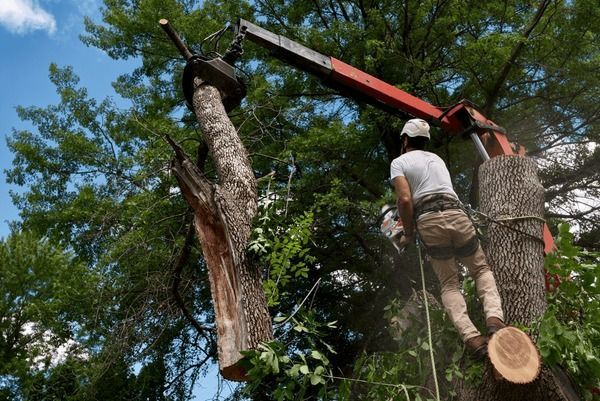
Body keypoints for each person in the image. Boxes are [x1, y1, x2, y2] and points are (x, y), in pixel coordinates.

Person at [390, 118, 505, 358]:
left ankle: (473, 339)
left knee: (449, 283)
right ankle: (495, 321)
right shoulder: (437, 159)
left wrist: (408, 234)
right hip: (456, 214)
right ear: (426, 140)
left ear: (405, 139)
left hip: (429, 221)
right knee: (481, 270)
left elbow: (404, 200)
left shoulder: (399, 162)